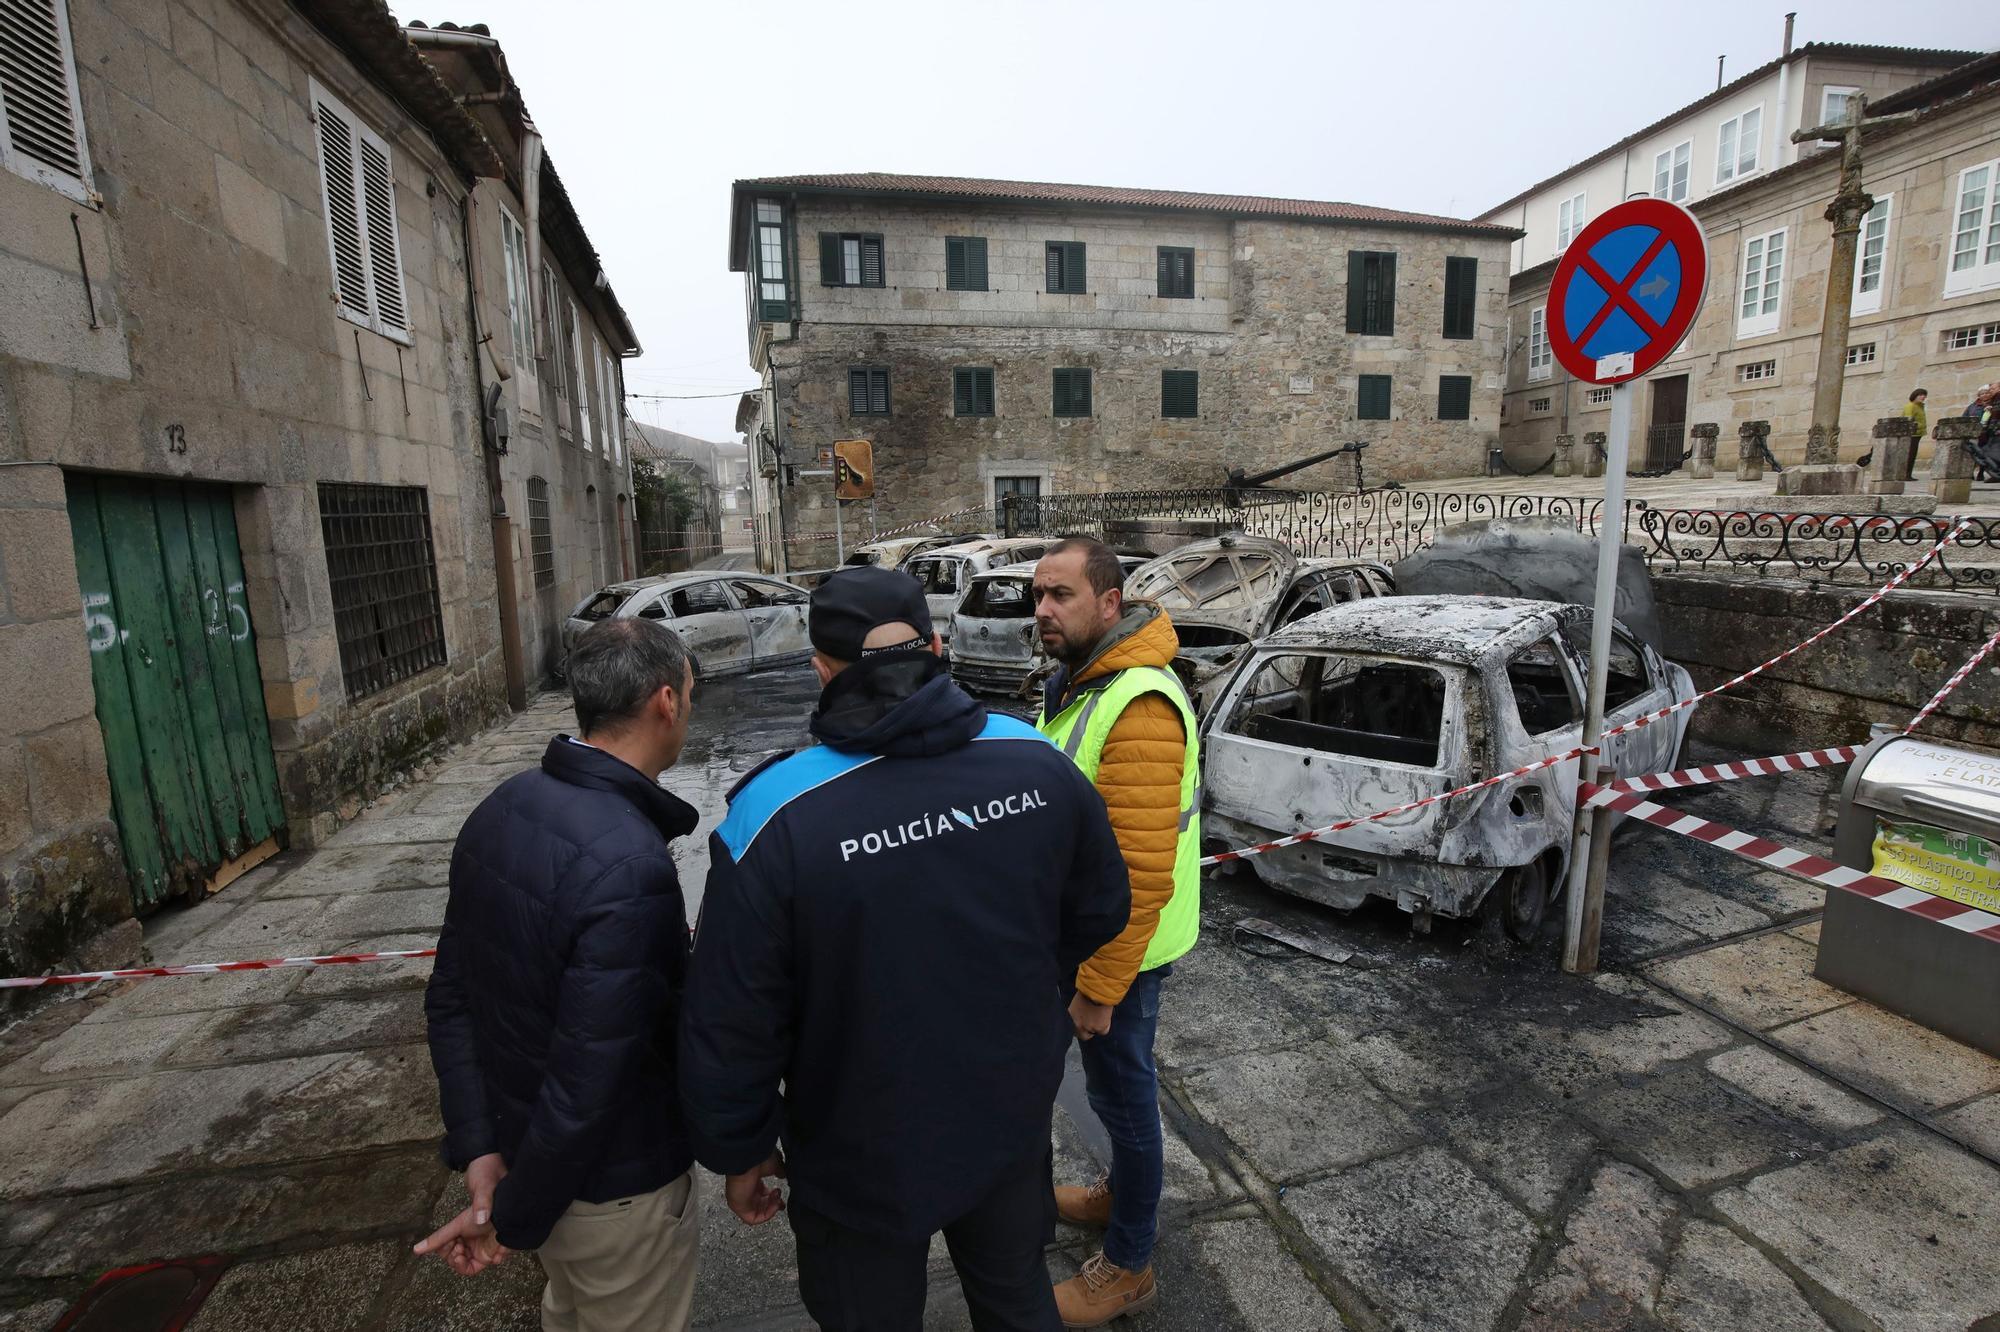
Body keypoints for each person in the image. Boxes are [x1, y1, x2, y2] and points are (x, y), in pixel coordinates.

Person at [680, 565, 1131, 1332]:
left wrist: (742, 1148)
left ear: (820, 668)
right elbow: (1101, 908)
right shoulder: (1035, 760)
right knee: (1016, 1295)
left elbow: (732, 1015)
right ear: (936, 645)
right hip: (1007, 1109)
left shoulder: (773, 813)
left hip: (856, 1135)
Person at [419, 617, 703, 1332]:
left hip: (527, 1163)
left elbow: (451, 999)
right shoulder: (629, 865)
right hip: (616, 1197)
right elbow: (588, 1083)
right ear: (667, 702)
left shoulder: (503, 806)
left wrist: (481, 1147)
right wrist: (510, 1219)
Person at [1031, 536, 1202, 1328]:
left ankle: (1130, 1264)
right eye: (1038, 596)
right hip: (1090, 943)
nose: (1042, 611)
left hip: (1122, 957)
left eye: (1060, 595)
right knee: (1109, 1096)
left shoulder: (1137, 701)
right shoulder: (1080, 685)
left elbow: (1137, 867)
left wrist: (1100, 986)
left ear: (1109, 603)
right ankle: (1111, 1199)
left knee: (1127, 1104)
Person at [1902, 388, 1928, 480]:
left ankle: (1908, 474)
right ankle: (1905, 475)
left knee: (1912, 455)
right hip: (1911, 434)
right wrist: (1917, 426)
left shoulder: (1920, 406)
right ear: (1915, 395)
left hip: (1918, 434)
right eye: (1921, 395)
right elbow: (1908, 420)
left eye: (1924, 395)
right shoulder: (1911, 406)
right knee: (1909, 455)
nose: (1923, 397)